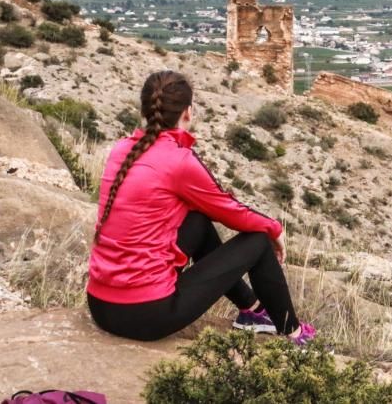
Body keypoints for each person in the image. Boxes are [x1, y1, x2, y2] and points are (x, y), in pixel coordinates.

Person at [86, 70, 315, 343]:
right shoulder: (178, 160)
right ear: (188, 112)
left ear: (145, 109)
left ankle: (252, 311)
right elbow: (229, 210)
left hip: (100, 305)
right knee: (258, 240)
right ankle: (293, 333)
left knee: (197, 221)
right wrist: (274, 229)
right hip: (145, 315)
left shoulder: (121, 149)